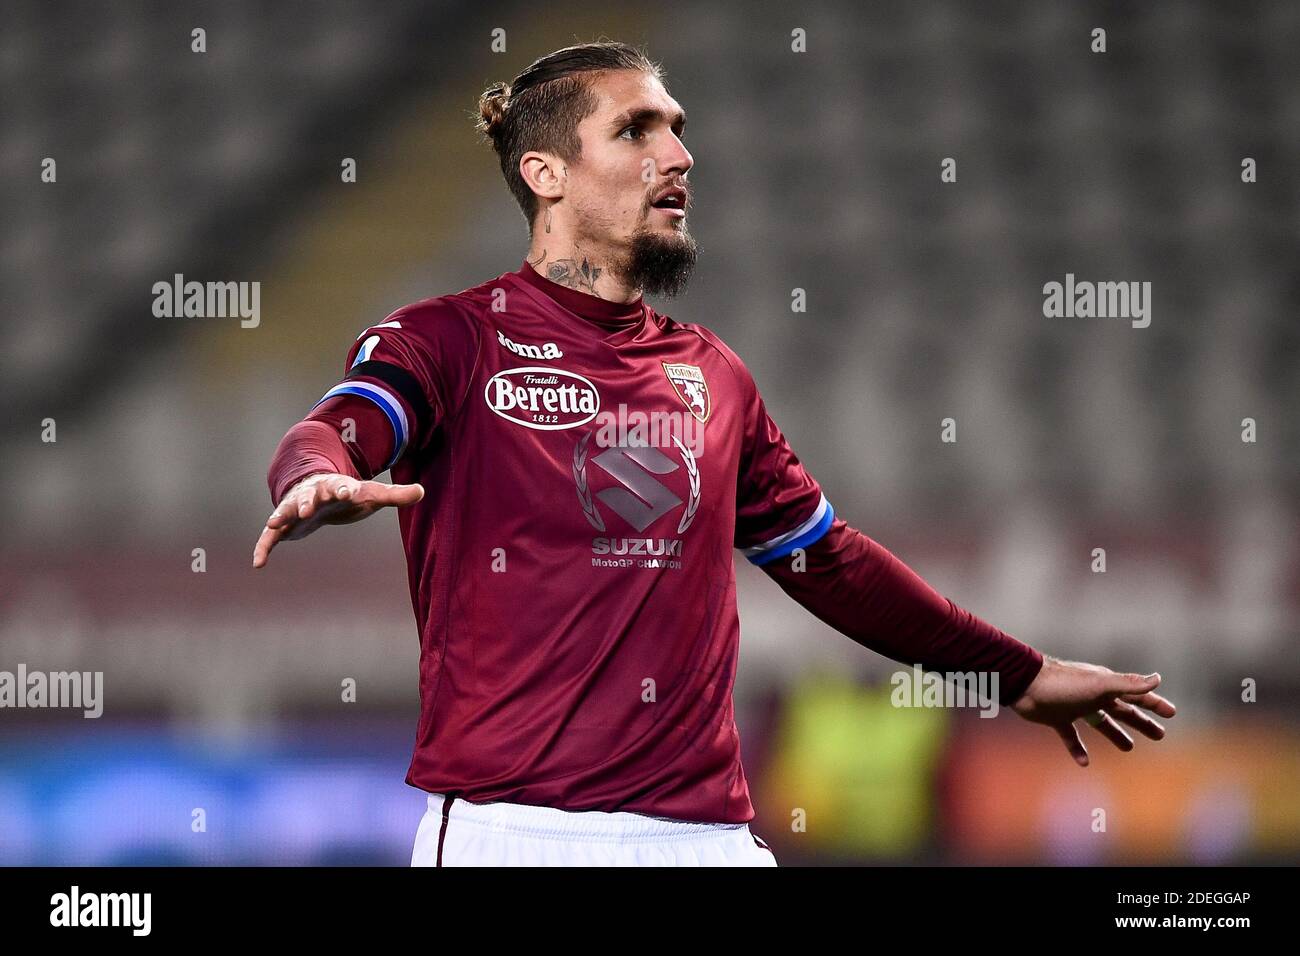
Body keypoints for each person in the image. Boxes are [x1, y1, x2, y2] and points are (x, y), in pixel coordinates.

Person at [253, 41, 1175, 867]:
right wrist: (314, 476)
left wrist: (1017, 673)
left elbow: (826, 560)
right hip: (513, 832)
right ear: (546, 173)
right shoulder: (452, 339)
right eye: (636, 130)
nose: (679, 156)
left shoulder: (713, 374)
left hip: (705, 838)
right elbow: (341, 425)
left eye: (678, 130)